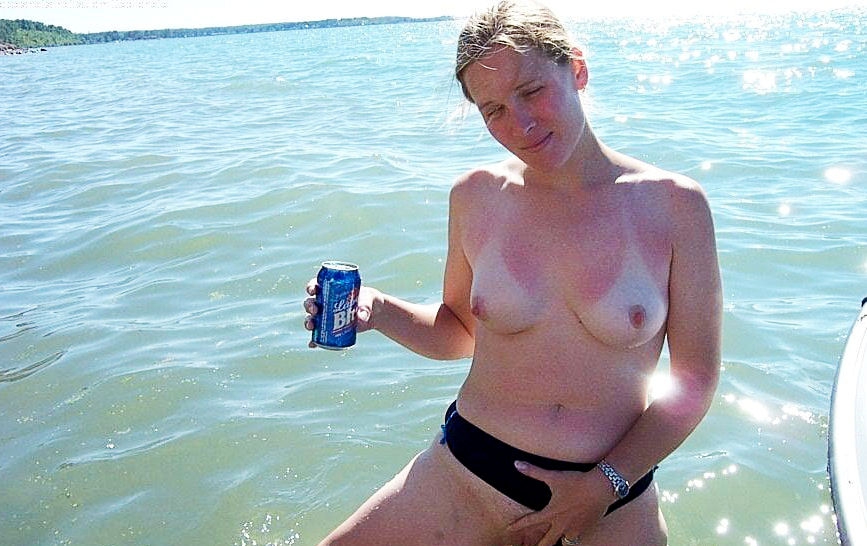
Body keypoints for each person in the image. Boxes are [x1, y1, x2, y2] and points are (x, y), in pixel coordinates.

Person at [303, 1, 722, 544]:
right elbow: (459, 332)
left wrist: (601, 487)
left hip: (610, 501)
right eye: (493, 109)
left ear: (577, 70)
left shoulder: (674, 206)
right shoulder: (476, 195)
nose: (519, 124)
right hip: (468, 473)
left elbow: (695, 382)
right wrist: (379, 311)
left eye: (532, 91)